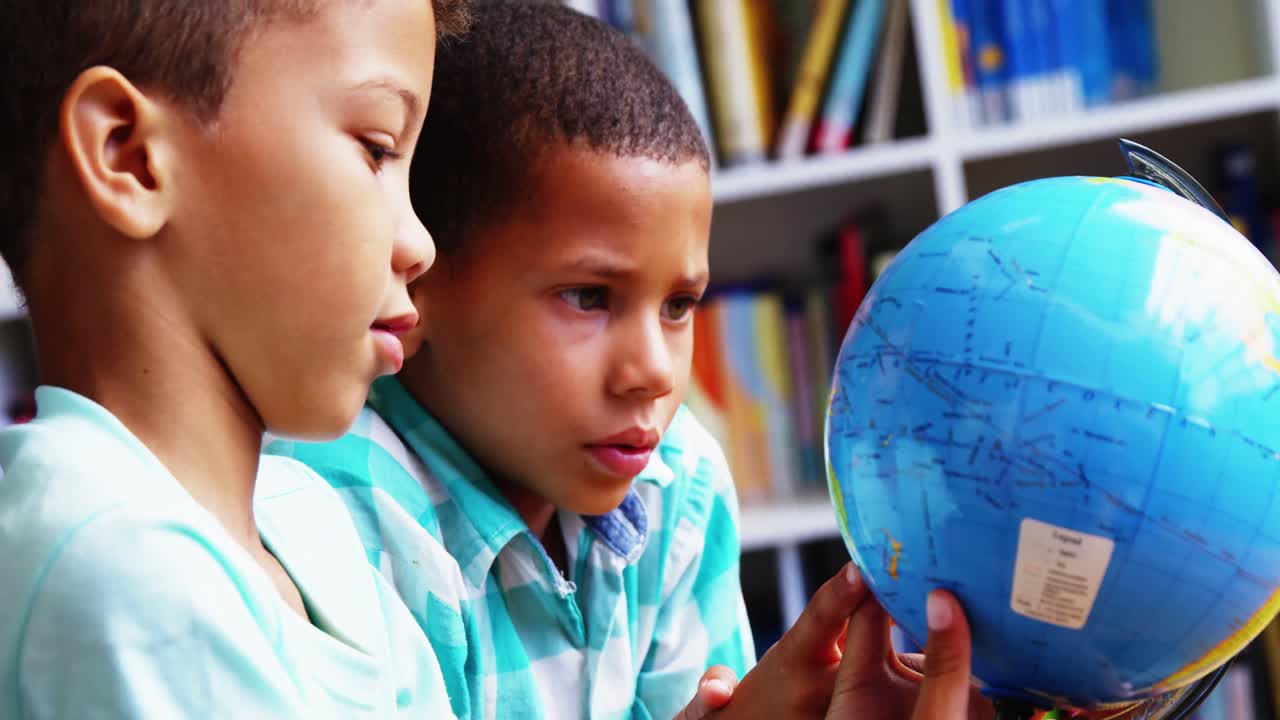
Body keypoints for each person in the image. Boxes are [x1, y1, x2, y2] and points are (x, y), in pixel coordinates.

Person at [270, 3, 995, 719]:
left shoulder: (675, 482)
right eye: (588, 297)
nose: (653, 372)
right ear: (418, 284)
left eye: (680, 305)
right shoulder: (345, 519)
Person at [0, 0, 471, 716]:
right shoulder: (122, 564)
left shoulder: (303, 521)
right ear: (129, 155)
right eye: (376, 149)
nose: (420, 244)